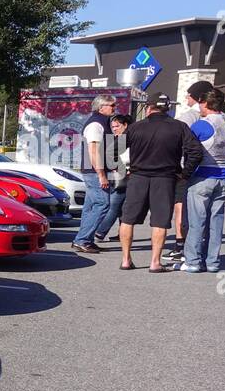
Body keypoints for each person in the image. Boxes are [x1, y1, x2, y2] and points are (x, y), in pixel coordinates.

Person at [120, 93, 204, 272]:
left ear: (149, 107)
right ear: (168, 108)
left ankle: (126, 260)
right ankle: (155, 263)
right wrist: (185, 174)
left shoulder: (135, 127)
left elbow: (111, 150)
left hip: (137, 177)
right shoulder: (179, 127)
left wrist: (123, 170)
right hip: (165, 178)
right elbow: (196, 152)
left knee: (127, 219)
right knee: (160, 221)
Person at [180, 89, 225, 273]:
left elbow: (188, 149)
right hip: (223, 176)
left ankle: (193, 261)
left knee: (196, 221)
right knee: (216, 222)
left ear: (206, 103)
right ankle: (212, 262)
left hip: (202, 176)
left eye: (200, 104)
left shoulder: (202, 125)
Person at [167, 80, 214, 261]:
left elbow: (175, 141)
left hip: (186, 168)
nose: (186, 96)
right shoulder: (220, 118)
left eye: (189, 94)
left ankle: (180, 245)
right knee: (203, 211)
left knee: (181, 206)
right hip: (210, 170)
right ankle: (198, 247)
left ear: (197, 97)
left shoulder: (189, 117)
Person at [72, 93, 117, 253]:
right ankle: (82, 239)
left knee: (90, 206)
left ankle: (85, 239)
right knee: (103, 204)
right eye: (111, 105)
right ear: (101, 107)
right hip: (94, 171)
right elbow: (94, 151)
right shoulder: (96, 124)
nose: (114, 108)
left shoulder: (101, 122)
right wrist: (101, 174)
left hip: (95, 170)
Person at [93, 112, 131, 241]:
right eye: (113, 126)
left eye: (117, 126)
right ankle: (122, 234)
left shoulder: (126, 139)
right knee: (120, 207)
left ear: (125, 125)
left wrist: (119, 167)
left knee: (114, 205)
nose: (114, 129)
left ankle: (100, 232)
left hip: (125, 177)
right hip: (118, 176)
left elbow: (127, 158)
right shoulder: (118, 138)